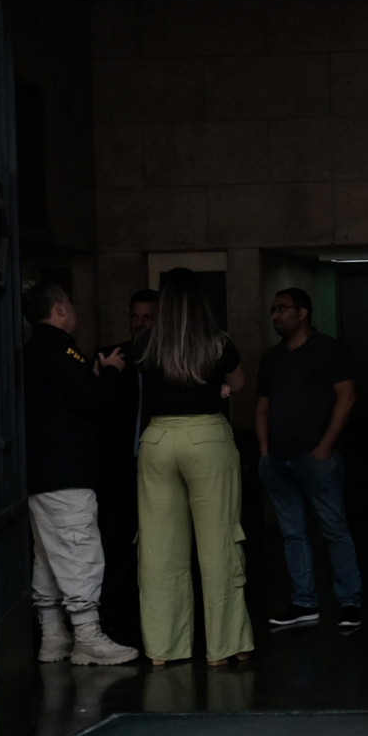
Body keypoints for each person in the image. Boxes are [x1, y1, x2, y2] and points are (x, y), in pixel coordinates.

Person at [134, 268, 254, 667]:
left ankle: (163, 648)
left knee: (159, 548)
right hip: (206, 439)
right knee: (219, 543)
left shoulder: (146, 343)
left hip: (157, 440)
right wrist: (221, 386)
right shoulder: (217, 341)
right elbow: (239, 383)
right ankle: (224, 646)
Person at [20, 282, 138, 666]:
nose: (73, 309)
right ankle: (88, 636)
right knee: (79, 550)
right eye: (69, 303)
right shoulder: (58, 348)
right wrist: (111, 372)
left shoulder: (32, 350)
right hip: (66, 471)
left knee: (48, 555)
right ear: (58, 310)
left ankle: (53, 635)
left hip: (42, 472)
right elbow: (94, 398)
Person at [255, 287, 361, 630]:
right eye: (273, 309)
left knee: (334, 529)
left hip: (316, 459)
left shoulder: (328, 350)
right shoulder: (271, 358)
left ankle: (350, 602)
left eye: (282, 308)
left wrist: (324, 447)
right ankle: (304, 602)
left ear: (303, 313)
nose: (276, 315)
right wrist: (264, 451)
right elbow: (262, 406)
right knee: (292, 533)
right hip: (278, 459)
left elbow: (347, 397)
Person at [94, 288, 159, 650]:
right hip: (119, 467)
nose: (139, 324)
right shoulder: (112, 357)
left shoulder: (170, 357)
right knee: (117, 542)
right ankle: (115, 617)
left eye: (147, 317)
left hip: (161, 463)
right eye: (134, 316)